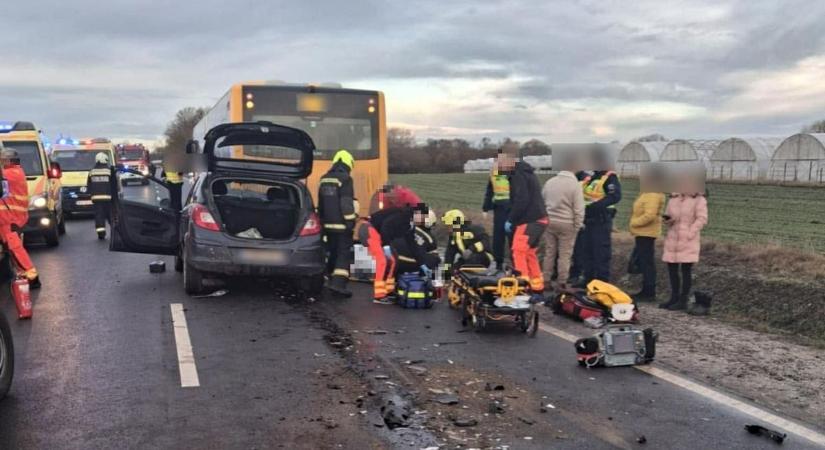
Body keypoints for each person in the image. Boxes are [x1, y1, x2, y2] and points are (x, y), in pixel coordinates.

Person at [500, 152, 548, 292]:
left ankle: (522, 286)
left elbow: (522, 199)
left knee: (518, 251)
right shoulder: (527, 173)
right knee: (530, 253)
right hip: (540, 220)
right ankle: (537, 287)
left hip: (529, 221)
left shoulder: (517, 175)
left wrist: (511, 219)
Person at [363, 204, 431, 304]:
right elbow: (385, 226)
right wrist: (386, 246)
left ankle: (388, 290)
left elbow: (412, 245)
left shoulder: (409, 225)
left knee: (394, 260)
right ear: (418, 213)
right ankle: (379, 296)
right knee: (383, 261)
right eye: (423, 217)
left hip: (378, 234)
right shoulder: (403, 215)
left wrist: (422, 264)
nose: (423, 220)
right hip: (370, 230)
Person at [318, 149, 358, 298]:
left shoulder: (324, 178)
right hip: (341, 226)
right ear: (349, 163)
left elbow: (321, 203)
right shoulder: (346, 179)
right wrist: (350, 221)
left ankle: (327, 278)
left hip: (326, 224)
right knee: (343, 253)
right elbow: (346, 203)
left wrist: (320, 221)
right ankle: (338, 284)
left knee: (331, 252)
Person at [659, 191, 708, 310]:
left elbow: (702, 219)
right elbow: (669, 216)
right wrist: (668, 219)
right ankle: (674, 297)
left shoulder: (699, 199)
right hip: (673, 239)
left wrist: (689, 233)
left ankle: (683, 300)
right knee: (672, 268)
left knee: (686, 270)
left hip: (688, 240)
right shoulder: (673, 198)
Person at [0, 148, 39, 288]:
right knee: (9, 249)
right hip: (9, 218)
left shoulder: (12, 173)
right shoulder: (15, 172)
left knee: (14, 248)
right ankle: (13, 275)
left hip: (10, 218)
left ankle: (32, 278)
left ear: (9, 160)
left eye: (2, 160)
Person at [541, 167, 584, 290]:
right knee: (565, 254)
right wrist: (577, 225)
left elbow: (542, 201)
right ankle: (562, 282)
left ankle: (546, 280)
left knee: (549, 252)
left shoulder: (550, 182)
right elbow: (579, 209)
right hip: (567, 223)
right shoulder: (575, 185)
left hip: (549, 221)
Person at [580, 167, 621, 284]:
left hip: (601, 220)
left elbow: (615, 196)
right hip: (588, 220)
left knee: (601, 252)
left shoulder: (610, 177)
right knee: (587, 251)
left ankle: (602, 281)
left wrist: (595, 207)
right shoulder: (592, 178)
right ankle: (588, 280)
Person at [628, 190, 666, 301]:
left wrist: (634, 223)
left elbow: (650, 215)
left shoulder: (653, 194)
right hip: (643, 232)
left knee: (647, 263)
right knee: (644, 262)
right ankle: (646, 290)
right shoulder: (646, 193)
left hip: (647, 232)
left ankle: (649, 292)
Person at [482, 152, 512, 269]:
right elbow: (489, 192)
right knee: (498, 237)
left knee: (510, 237)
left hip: (510, 209)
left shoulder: (511, 174)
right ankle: (499, 263)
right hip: (500, 208)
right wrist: (485, 208)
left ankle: (512, 261)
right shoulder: (494, 175)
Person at [392, 209, 439, 276]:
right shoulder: (429, 238)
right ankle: (431, 280)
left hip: (393, 260)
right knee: (435, 258)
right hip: (409, 264)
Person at [87, 152, 113, 239]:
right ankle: (115, 232)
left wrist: (91, 194)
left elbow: (89, 185)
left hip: (96, 199)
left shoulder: (92, 172)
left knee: (99, 216)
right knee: (111, 215)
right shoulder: (109, 171)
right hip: (108, 198)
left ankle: (101, 234)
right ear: (105, 160)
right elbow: (114, 185)